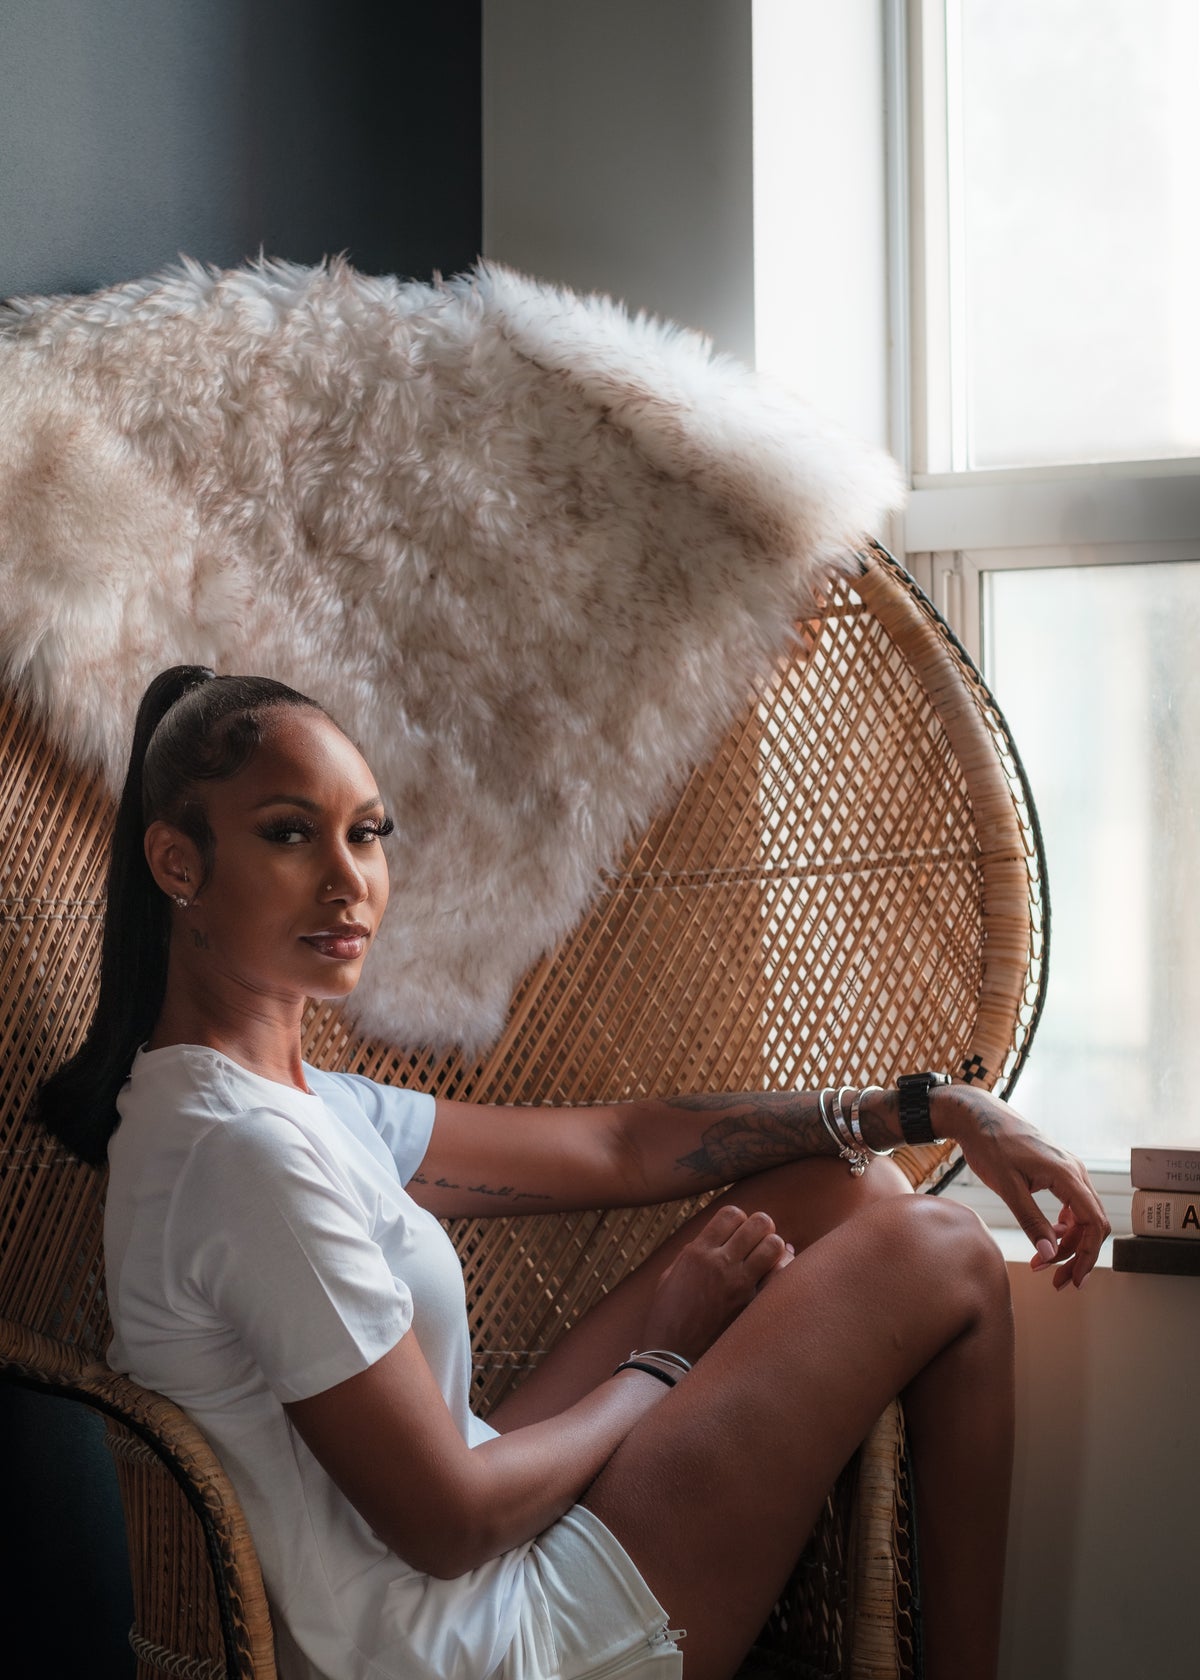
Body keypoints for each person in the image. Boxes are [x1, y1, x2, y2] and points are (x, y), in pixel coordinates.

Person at [37, 665, 1109, 1680]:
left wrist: (930, 1108)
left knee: (839, 1190)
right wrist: (660, 1360)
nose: (348, 880)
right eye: (288, 834)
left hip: (457, 1575)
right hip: (469, 1645)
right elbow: (451, 1523)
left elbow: (619, 1148)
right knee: (945, 1247)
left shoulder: (294, 1107)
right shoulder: (244, 1153)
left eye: (367, 834)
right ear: (178, 863)